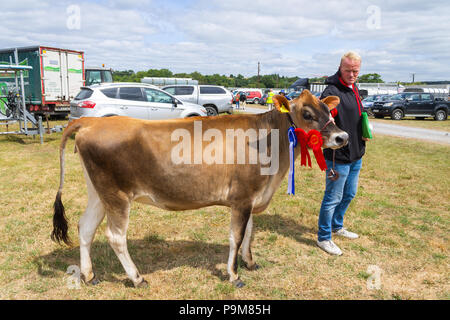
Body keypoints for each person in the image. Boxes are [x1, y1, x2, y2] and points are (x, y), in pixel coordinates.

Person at [317, 51, 370, 256]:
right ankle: (324, 237)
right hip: (337, 157)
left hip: (356, 153)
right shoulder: (332, 91)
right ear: (340, 68)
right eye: (348, 70)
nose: (351, 74)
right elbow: (324, 118)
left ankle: (337, 226)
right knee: (332, 197)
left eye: (355, 70)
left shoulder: (353, 87)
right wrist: (327, 114)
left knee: (349, 194)